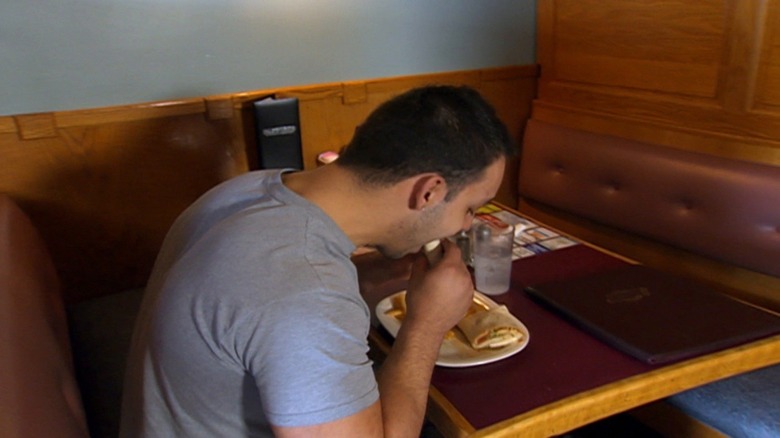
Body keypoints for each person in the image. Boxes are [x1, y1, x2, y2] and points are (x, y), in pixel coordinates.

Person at [119, 85, 515, 437]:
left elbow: (264, 298)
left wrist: (366, 272)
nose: (466, 224)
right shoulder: (305, 292)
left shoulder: (250, 188)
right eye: (471, 208)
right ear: (429, 192)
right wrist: (426, 324)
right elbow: (294, 298)